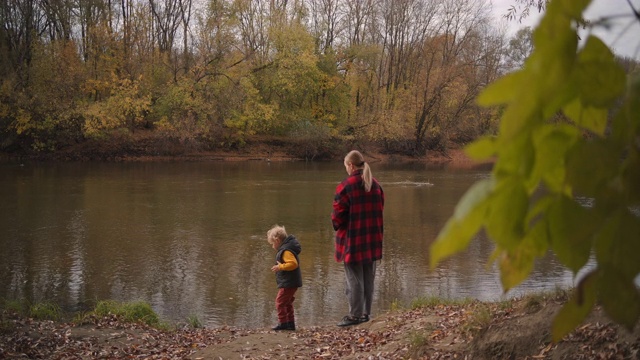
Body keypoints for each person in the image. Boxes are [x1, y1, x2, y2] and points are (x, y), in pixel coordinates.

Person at [332, 150, 384, 327]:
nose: (346, 169)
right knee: (368, 277)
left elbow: (337, 217)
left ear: (350, 165)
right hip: (372, 238)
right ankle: (365, 314)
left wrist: (337, 226)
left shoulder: (346, 186)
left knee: (354, 279)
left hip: (353, 240)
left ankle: (354, 316)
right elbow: (380, 209)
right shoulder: (376, 185)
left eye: (346, 166)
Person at [267, 224, 302, 331]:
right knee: (287, 303)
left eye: (272, 243)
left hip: (289, 282)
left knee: (280, 302)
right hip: (291, 282)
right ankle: (290, 324)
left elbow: (293, 264)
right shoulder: (287, 248)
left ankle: (283, 323)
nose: (272, 246)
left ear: (277, 241)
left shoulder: (286, 251)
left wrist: (280, 267)